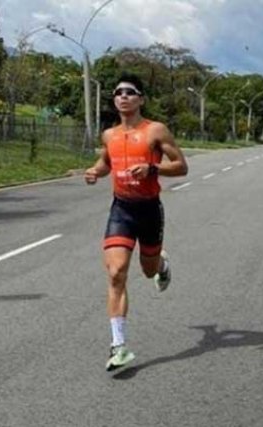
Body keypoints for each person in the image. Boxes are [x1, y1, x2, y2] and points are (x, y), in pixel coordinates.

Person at [84, 73, 189, 371]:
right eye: (118, 92)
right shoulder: (109, 135)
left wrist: (153, 169)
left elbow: (181, 166)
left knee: (148, 270)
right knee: (116, 272)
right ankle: (119, 347)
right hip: (122, 209)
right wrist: (94, 171)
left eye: (130, 92)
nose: (123, 96)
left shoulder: (155, 131)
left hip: (149, 210)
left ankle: (161, 265)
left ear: (141, 98)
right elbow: (106, 163)